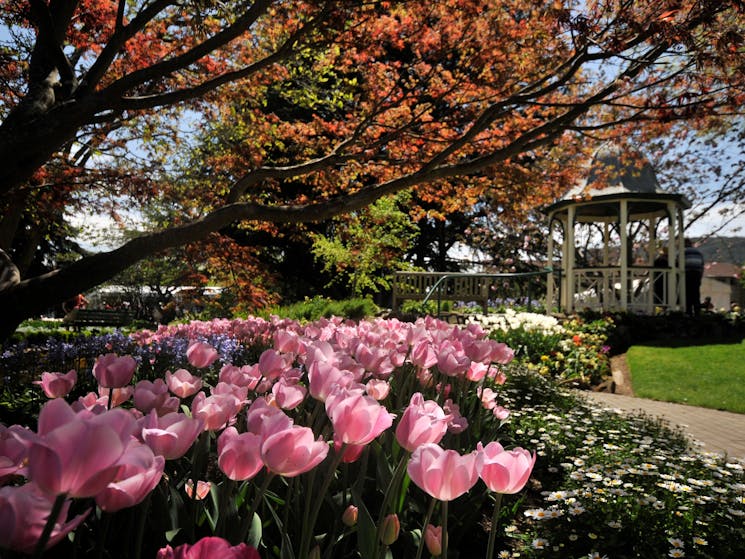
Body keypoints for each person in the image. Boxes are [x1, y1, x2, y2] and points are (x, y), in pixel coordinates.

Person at [684, 239, 704, 317]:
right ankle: (697, 313)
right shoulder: (699, 253)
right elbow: (702, 266)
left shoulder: (684, 252)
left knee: (687, 294)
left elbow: (678, 263)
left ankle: (689, 312)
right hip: (697, 274)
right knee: (696, 294)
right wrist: (700, 277)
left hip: (688, 273)